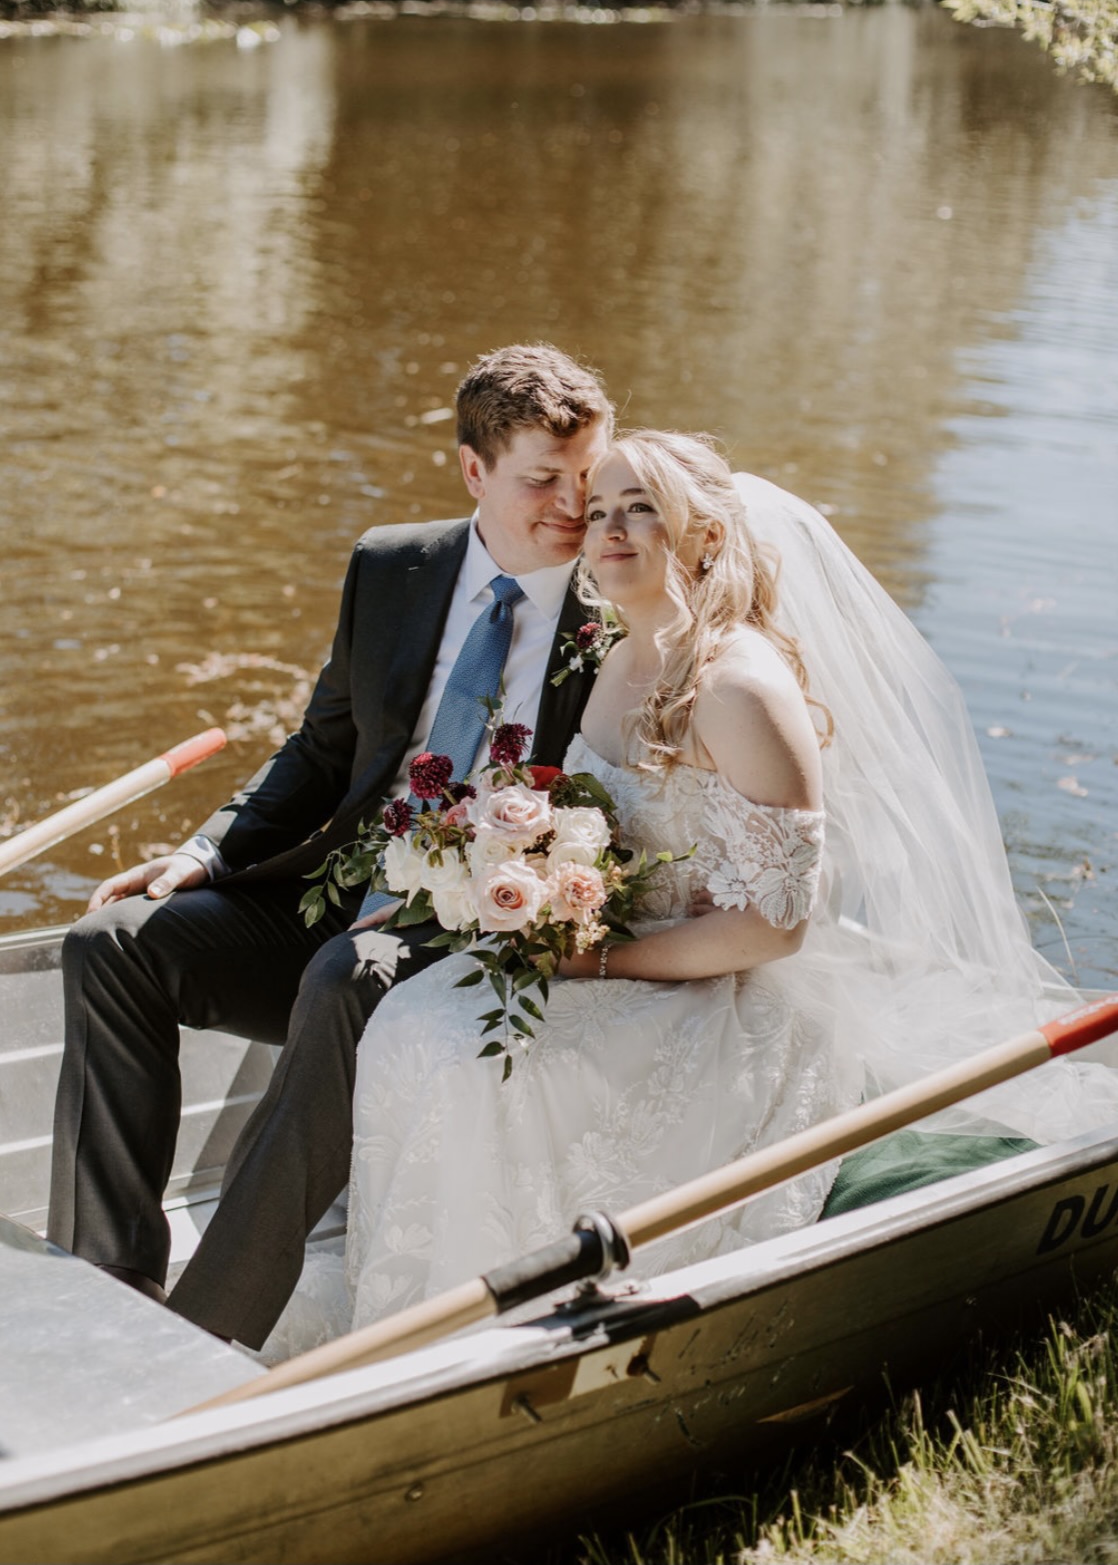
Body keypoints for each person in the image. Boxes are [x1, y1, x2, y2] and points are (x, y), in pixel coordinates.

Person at [260, 429, 1118, 1360]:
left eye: (642, 510)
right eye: (599, 513)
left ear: (703, 537)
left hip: (723, 995)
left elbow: (776, 930)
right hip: (627, 953)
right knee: (414, 1019)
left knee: (471, 1061)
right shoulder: (620, 657)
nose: (611, 530)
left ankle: (491, 1337)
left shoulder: (740, 688)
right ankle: (410, 1317)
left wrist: (601, 956)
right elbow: (606, 832)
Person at [47, 342, 614, 1349]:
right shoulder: (391, 566)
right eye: (543, 481)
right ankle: (111, 1284)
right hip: (338, 889)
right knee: (115, 946)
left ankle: (203, 1329)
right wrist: (205, 851)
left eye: (588, 479)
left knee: (344, 976)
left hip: (485, 927)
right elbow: (320, 747)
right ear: (473, 471)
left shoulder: (613, 608)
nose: (574, 508)